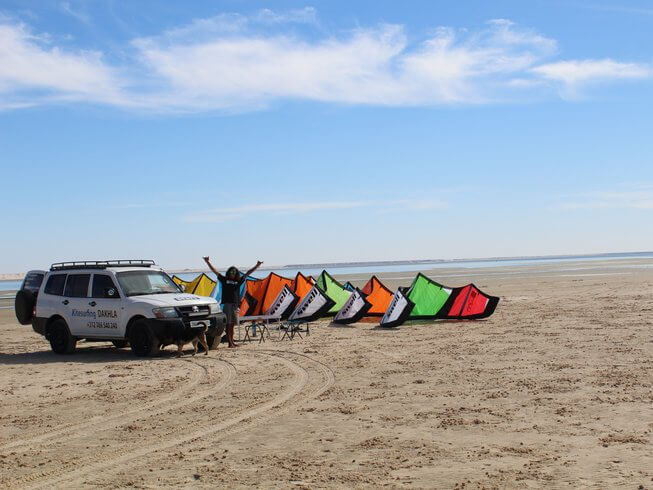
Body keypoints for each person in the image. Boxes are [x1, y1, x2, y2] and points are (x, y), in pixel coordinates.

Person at [203, 256, 263, 348]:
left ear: (236, 274)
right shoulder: (224, 280)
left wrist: (257, 265)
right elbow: (215, 271)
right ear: (228, 273)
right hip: (227, 305)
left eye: (234, 272)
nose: (232, 273)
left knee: (232, 324)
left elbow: (248, 273)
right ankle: (230, 342)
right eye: (231, 272)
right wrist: (208, 262)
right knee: (228, 324)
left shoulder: (238, 281)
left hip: (235, 305)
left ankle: (232, 342)